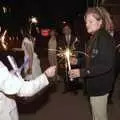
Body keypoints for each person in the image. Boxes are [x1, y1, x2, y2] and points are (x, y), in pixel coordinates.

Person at [69, 7, 115, 120]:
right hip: (95, 86)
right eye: (86, 22)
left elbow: (106, 65)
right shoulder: (95, 37)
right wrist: (78, 61)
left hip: (100, 87)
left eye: (90, 21)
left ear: (100, 22)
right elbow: (92, 58)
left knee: (99, 117)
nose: (87, 25)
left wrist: (82, 72)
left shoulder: (104, 38)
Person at [57, 24, 80, 94]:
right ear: (63, 31)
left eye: (68, 29)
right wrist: (62, 55)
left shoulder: (75, 38)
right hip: (64, 59)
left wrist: (74, 55)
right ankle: (66, 88)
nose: (67, 30)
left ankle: (74, 88)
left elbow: (78, 48)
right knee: (65, 74)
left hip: (73, 59)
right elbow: (59, 48)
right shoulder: (61, 38)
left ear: (70, 30)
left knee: (74, 73)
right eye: (65, 29)